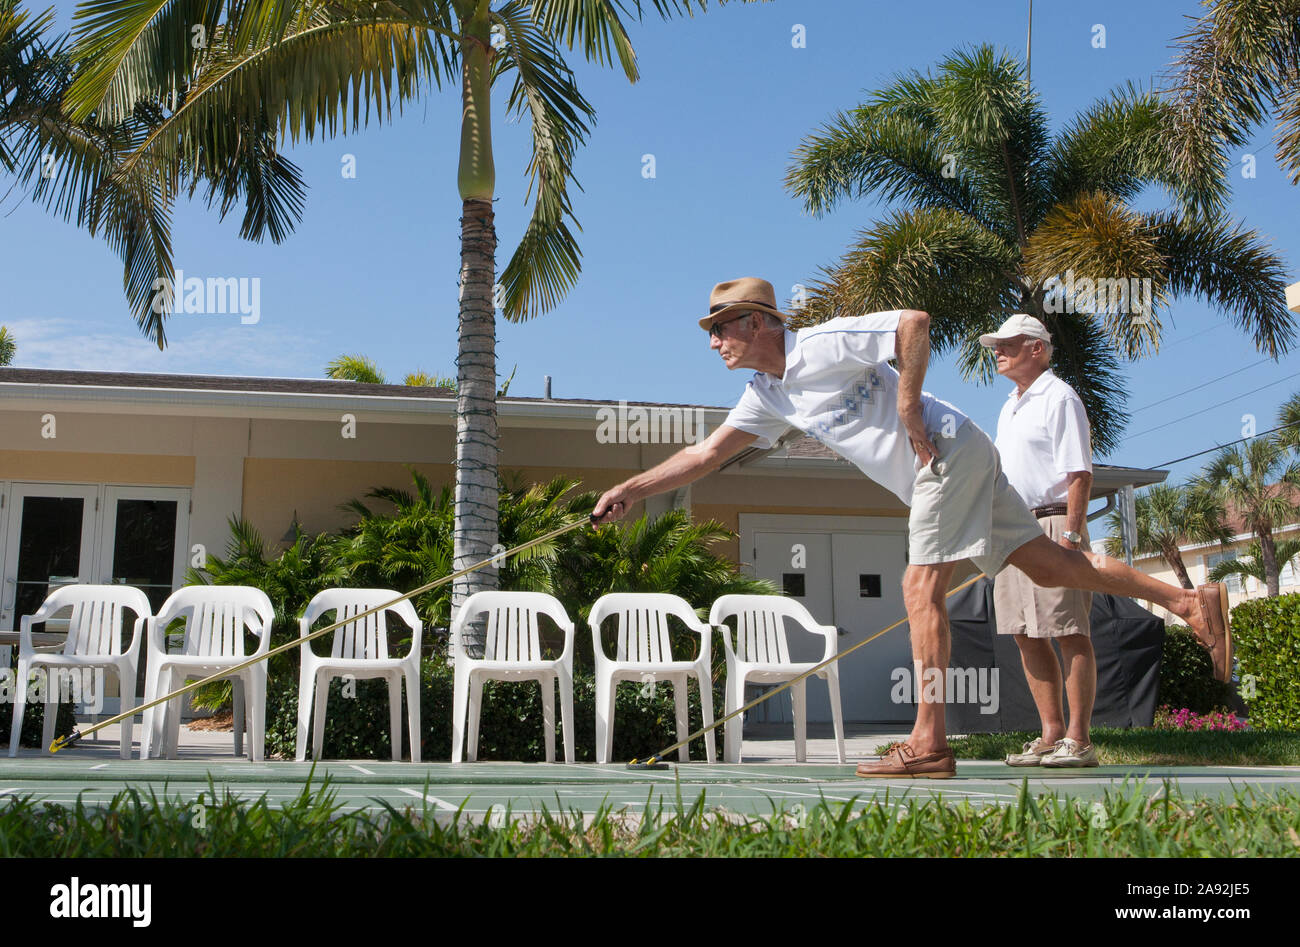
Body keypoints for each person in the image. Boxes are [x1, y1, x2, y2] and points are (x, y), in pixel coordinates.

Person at [590, 277, 1231, 778]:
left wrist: (905, 401)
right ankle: (1186, 600)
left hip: (946, 454)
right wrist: (630, 488)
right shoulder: (768, 394)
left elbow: (914, 324)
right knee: (1051, 565)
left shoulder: (818, 345)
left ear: (757, 322)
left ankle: (928, 742)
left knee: (917, 589)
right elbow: (705, 455)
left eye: (720, 328)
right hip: (959, 459)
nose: (713, 342)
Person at [983, 315, 1099, 768]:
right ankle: (1050, 735)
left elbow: (1080, 474)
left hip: (1054, 527)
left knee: (1069, 630)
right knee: (1024, 634)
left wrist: (1071, 537)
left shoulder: (1060, 397)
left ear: (1038, 349)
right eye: (997, 344)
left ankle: (1079, 740)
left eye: (1008, 343)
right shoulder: (1010, 404)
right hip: (1013, 530)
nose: (998, 351)